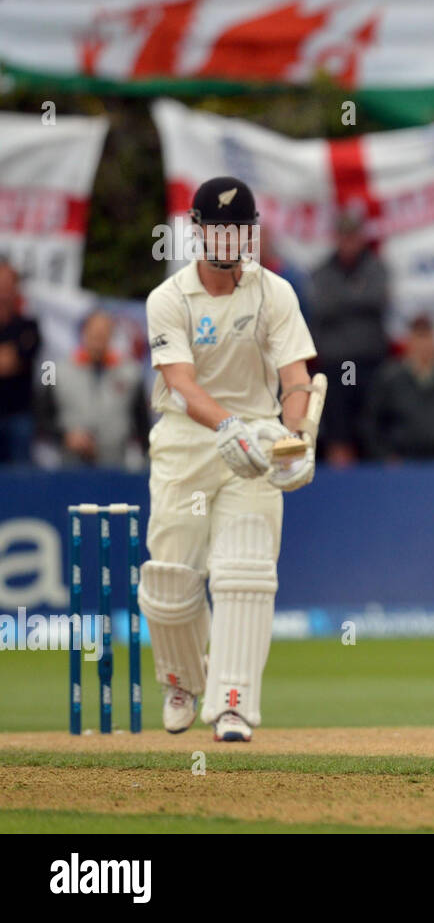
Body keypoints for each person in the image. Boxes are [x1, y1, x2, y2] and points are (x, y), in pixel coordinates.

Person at [141, 177, 319, 743]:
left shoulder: (276, 292)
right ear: (198, 231)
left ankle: (233, 703)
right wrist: (227, 426)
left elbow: (296, 379)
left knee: (245, 571)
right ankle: (180, 680)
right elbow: (182, 385)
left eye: (240, 229)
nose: (230, 239)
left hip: (257, 438)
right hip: (186, 442)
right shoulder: (168, 299)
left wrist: (292, 442)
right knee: (170, 583)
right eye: (219, 229)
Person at [308, 208, 389, 466]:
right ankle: (342, 490)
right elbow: (321, 305)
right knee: (338, 432)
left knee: (372, 430)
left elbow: (377, 299)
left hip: (370, 365)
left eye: (353, 236)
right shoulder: (323, 270)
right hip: (338, 365)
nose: (348, 242)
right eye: (344, 236)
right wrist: (356, 296)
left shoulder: (376, 267)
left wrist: (342, 299)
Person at [36, 309, 150, 469]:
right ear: (83, 333)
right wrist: (64, 437)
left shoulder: (130, 372)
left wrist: (146, 459)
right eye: (94, 332)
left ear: (112, 335)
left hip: (115, 465)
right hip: (70, 465)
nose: (99, 337)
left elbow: (141, 421)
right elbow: (42, 417)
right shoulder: (56, 371)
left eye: (104, 332)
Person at [363, 315, 434, 462]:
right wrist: (384, 456)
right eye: (418, 337)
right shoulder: (389, 378)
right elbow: (371, 422)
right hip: (402, 463)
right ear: (409, 341)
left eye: (427, 337)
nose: (423, 344)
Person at [0, 262, 41, 466]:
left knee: (21, 479)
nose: (4, 290)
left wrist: (11, 359)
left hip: (19, 415)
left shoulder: (28, 326)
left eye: (8, 284)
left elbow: (14, 361)